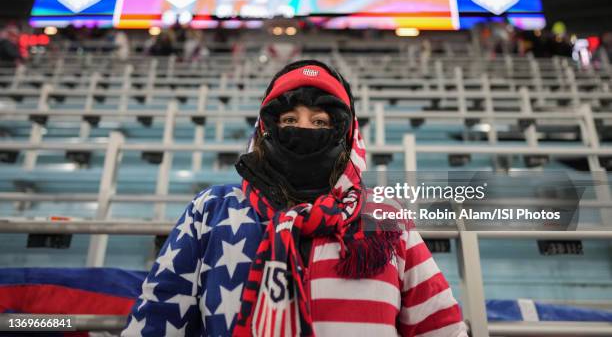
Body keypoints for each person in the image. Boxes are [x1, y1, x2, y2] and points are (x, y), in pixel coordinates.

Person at [121, 60, 467, 336]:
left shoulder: (383, 216)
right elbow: (156, 318)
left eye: (320, 122)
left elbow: (440, 326)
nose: (304, 130)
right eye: (289, 119)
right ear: (265, 131)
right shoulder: (211, 210)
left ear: (345, 136)